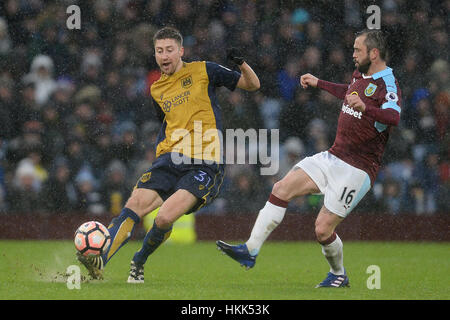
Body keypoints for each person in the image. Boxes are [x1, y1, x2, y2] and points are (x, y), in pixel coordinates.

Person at [217, 29, 402, 288]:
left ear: (374, 53)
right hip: (333, 155)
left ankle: (338, 274)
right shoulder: (360, 74)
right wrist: (319, 83)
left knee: (322, 229)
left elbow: (394, 117)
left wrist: (367, 108)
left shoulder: (387, 83)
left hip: (358, 169)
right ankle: (250, 250)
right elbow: (349, 91)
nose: (353, 54)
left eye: (357, 50)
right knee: (281, 188)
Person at [77, 26, 260, 282]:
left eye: (169, 50)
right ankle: (98, 264)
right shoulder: (157, 90)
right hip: (169, 159)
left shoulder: (203, 70)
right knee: (132, 207)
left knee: (163, 218)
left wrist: (241, 63)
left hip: (204, 163)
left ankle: (139, 260)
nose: (164, 55)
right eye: (159, 51)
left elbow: (253, 85)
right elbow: (168, 123)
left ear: (181, 51)